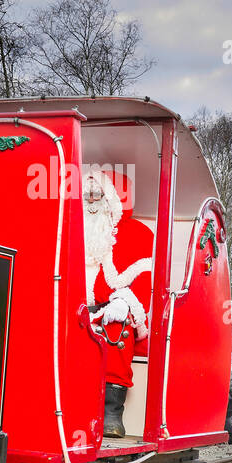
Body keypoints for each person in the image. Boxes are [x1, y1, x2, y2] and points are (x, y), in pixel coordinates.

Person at [82, 168, 153, 437]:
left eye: (96, 195)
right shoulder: (70, 231)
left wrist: (123, 302)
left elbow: (144, 281)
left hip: (113, 309)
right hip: (74, 309)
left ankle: (111, 412)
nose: (90, 201)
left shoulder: (137, 234)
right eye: (86, 196)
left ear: (110, 198)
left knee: (117, 330)